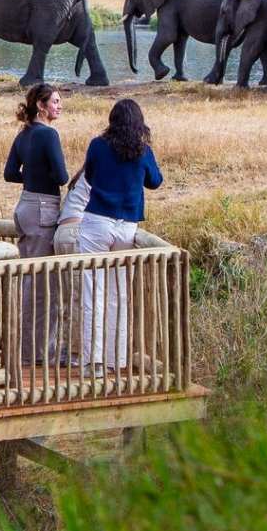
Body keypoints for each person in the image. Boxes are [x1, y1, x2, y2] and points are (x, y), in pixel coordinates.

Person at [76, 99, 165, 372]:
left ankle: (95, 361)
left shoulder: (97, 145)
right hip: (126, 225)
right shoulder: (143, 150)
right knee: (119, 293)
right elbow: (156, 181)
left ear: (112, 120)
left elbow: (89, 176)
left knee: (93, 291)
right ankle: (118, 358)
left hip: (96, 222)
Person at [5, 84, 67, 361]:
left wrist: (30, 176)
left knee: (30, 278)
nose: (59, 105)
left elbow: (9, 173)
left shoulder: (24, 134)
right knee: (43, 284)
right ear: (41, 105)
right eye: (55, 101)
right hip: (43, 206)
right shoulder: (48, 134)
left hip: (25, 204)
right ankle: (38, 352)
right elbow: (62, 176)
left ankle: (26, 347)